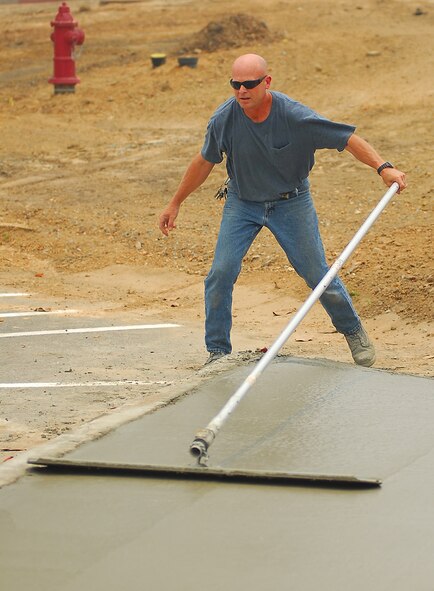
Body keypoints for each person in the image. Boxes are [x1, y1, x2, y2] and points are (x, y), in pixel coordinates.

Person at [159, 53, 406, 367]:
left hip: (291, 202)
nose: (241, 91)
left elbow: (347, 138)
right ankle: (217, 352)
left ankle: (353, 330)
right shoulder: (224, 118)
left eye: (249, 84)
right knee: (220, 273)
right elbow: (204, 160)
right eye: (235, 84)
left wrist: (383, 167)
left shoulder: (295, 116)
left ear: (267, 82)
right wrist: (175, 203)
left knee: (318, 274)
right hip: (243, 201)